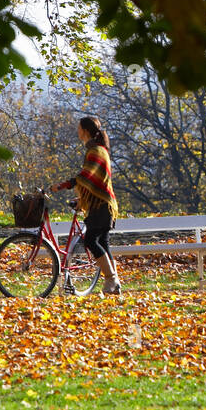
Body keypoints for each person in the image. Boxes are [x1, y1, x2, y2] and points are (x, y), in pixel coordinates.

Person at [55, 116, 122, 294]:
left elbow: (85, 177)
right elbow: (94, 180)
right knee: (103, 243)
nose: (77, 131)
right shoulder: (97, 150)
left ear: (85, 131)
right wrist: (82, 199)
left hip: (101, 206)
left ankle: (111, 279)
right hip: (102, 204)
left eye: (79, 128)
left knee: (91, 241)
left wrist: (63, 185)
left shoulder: (96, 151)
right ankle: (115, 284)